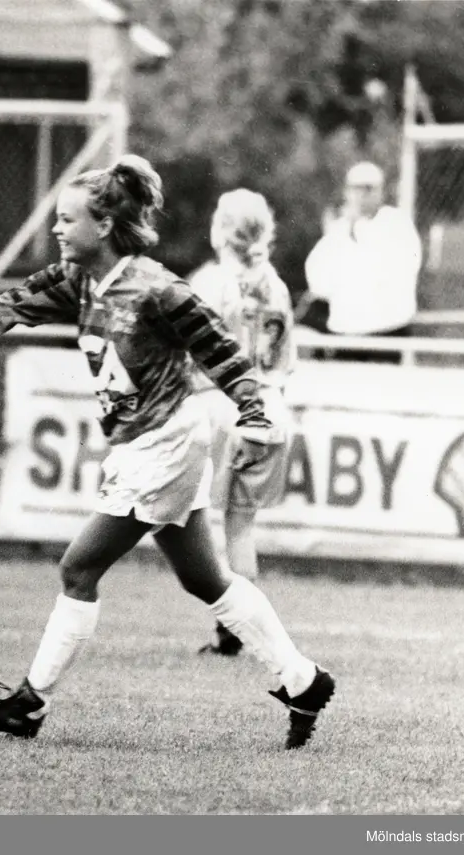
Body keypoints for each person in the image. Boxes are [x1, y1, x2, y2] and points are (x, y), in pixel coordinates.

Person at [0, 155, 336, 750]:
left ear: (106, 225)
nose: (57, 229)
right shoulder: (77, 280)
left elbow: (222, 351)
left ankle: (30, 703)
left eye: (68, 219)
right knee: (204, 579)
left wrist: (253, 408)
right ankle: (303, 681)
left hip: (167, 442)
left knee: (79, 567)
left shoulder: (159, 288)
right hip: (145, 442)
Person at [188, 190, 296, 657]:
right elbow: (286, 361)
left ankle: (234, 629)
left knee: (209, 522)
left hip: (225, 408)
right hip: (271, 411)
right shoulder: (277, 286)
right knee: (241, 528)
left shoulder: (211, 282)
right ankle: (238, 632)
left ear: (222, 231)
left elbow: (189, 349)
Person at [302, 161, 422, 363]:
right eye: (355, 188)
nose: (361, 195)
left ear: (381, 191)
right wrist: (341, 231)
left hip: (387, 331)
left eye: (369, 188)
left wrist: (353, 229)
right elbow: (318, 283)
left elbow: (390, 269)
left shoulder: (396, 223)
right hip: (346, 332)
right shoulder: (338, 230)